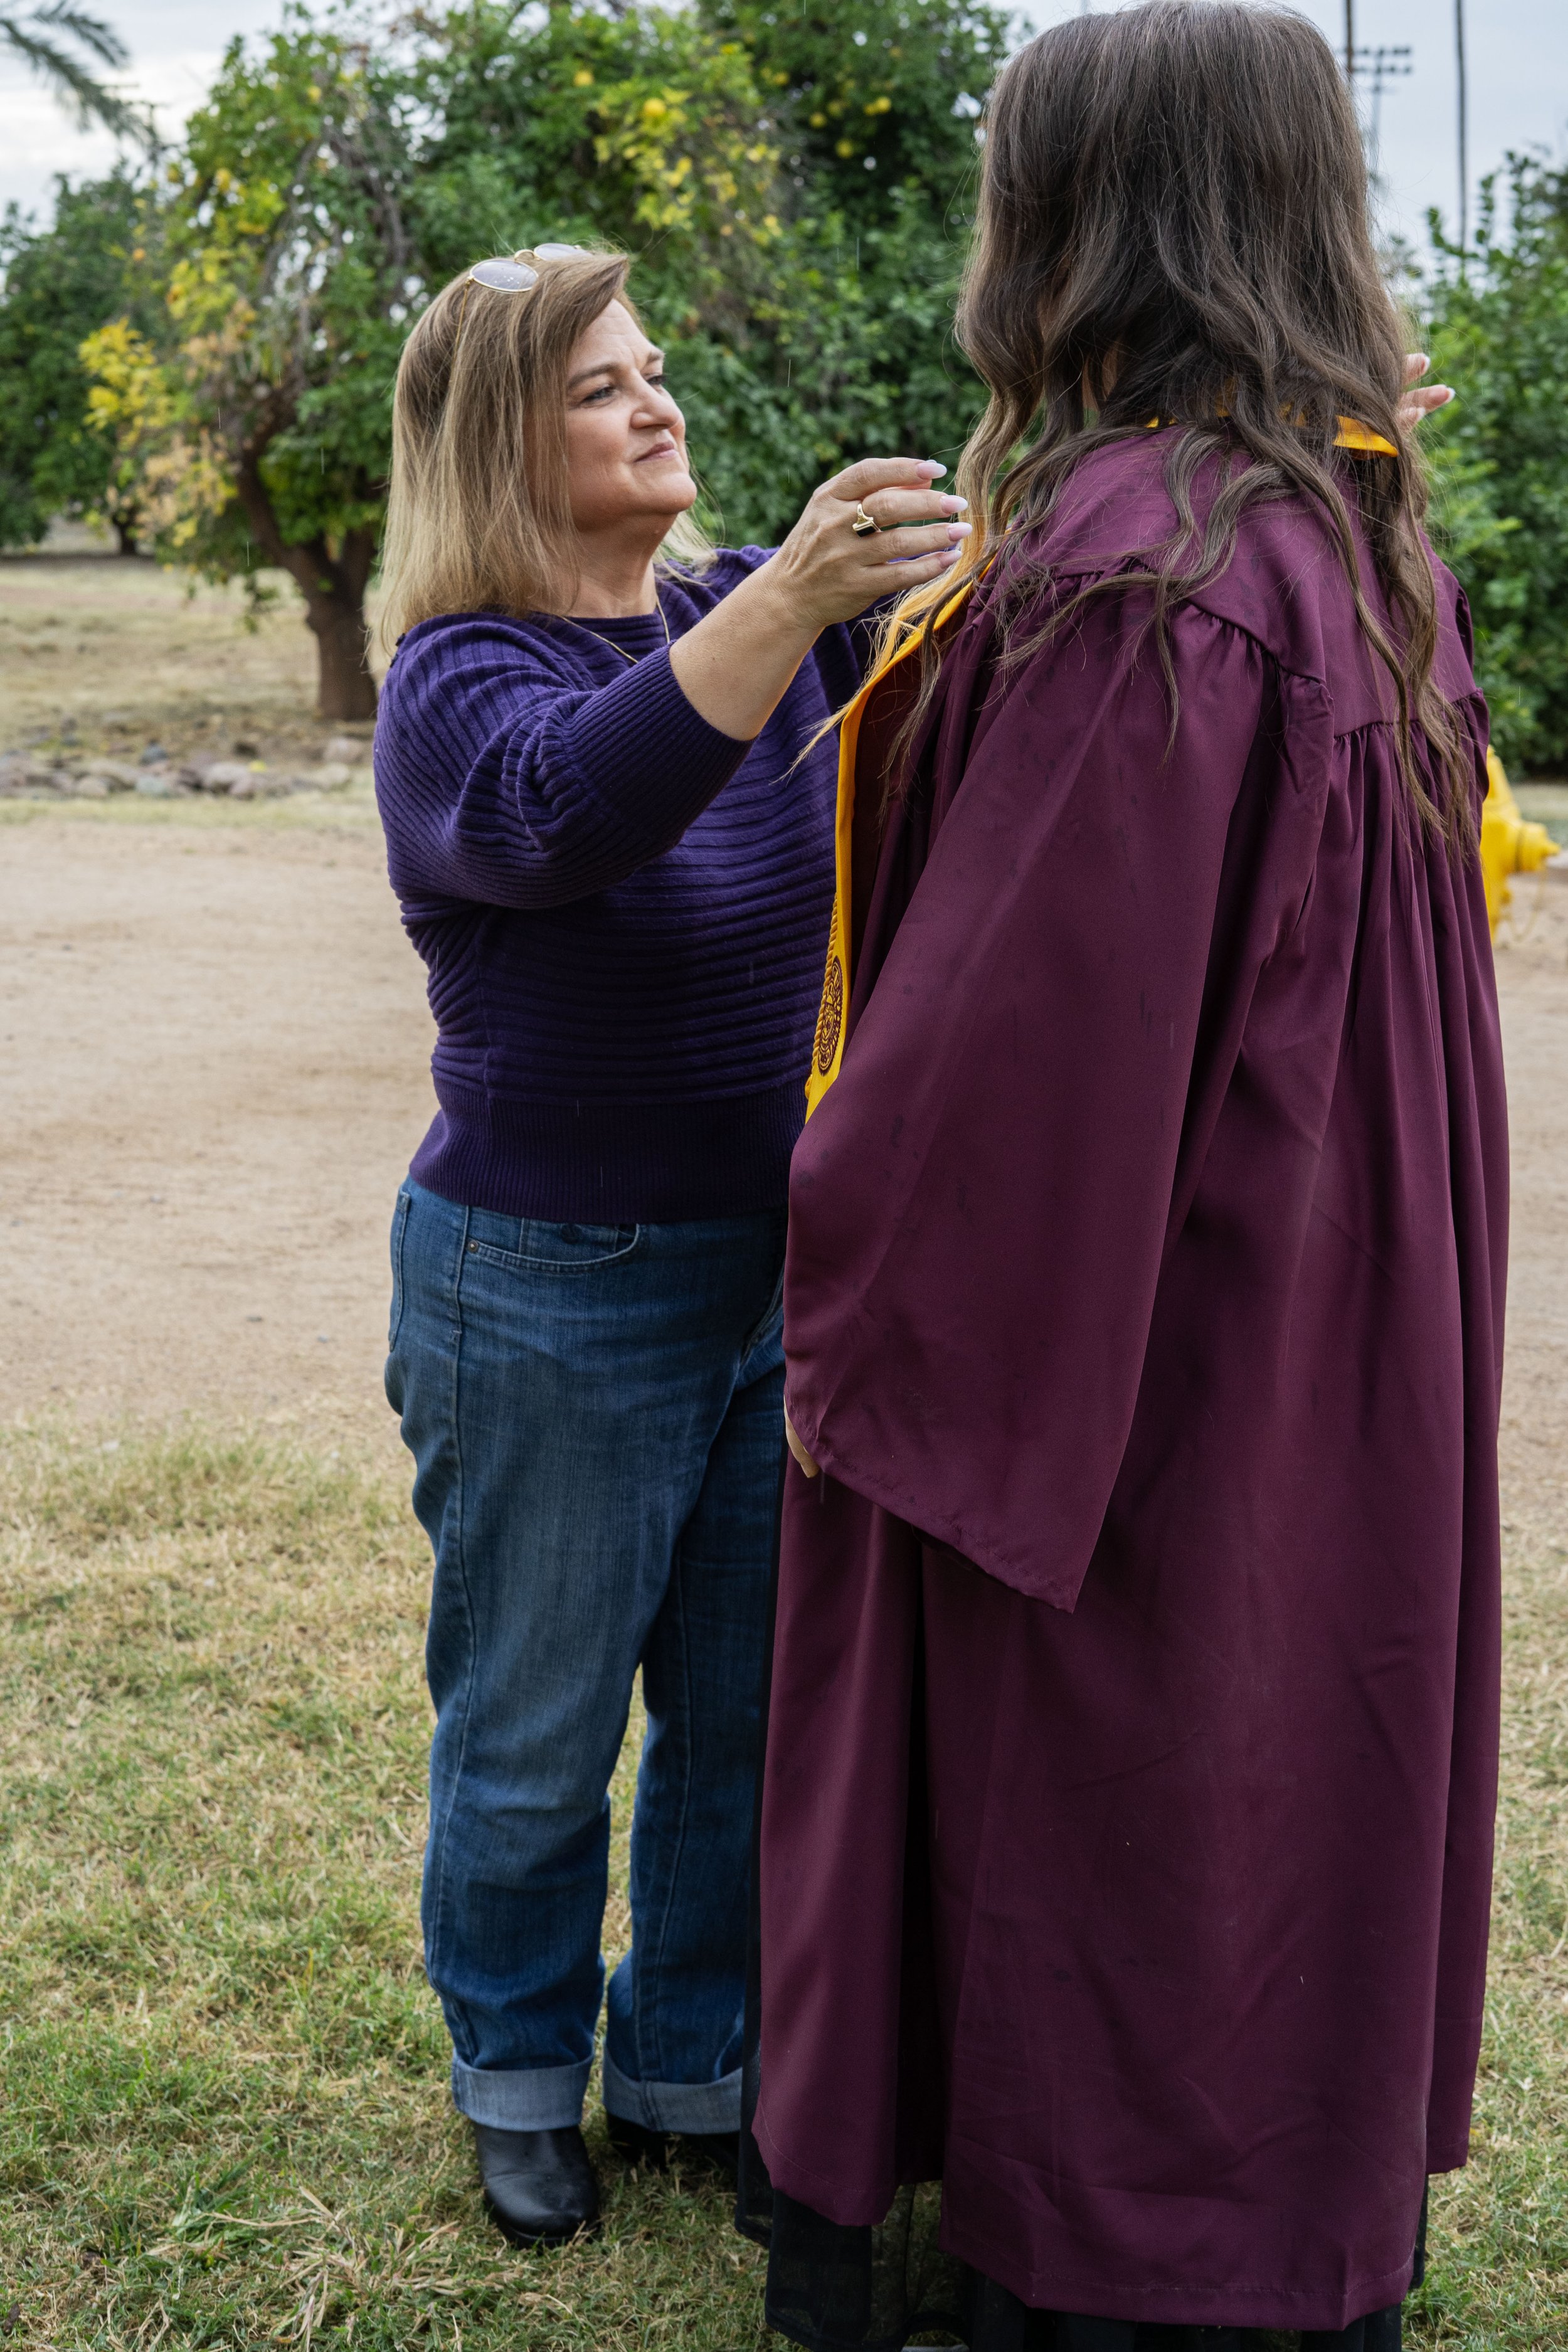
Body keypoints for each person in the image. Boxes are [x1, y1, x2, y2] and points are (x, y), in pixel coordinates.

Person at [751, 8, 1506, 2348]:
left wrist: (853, 1311)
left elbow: (1012, 1077)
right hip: (1311, 1279)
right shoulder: (1330, 518)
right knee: (1284, 1710)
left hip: (1149, 1321)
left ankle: (1128, 2256)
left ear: (1073, 218)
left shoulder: (1140, 568)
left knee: (1149, 1756)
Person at [372, 243, 970, 2249]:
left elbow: (971, 631)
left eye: (655, 369)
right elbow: (562, 815)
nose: (660, 406)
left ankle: (692, 2066)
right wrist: (797, 596)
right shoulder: (460, 683)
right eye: (599, 388)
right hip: (545, 1288)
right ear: (496, 445)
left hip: (765, 1273)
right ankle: (520, 2075)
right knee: (534, 1732)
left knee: (739, 1722)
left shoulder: (739, 620)